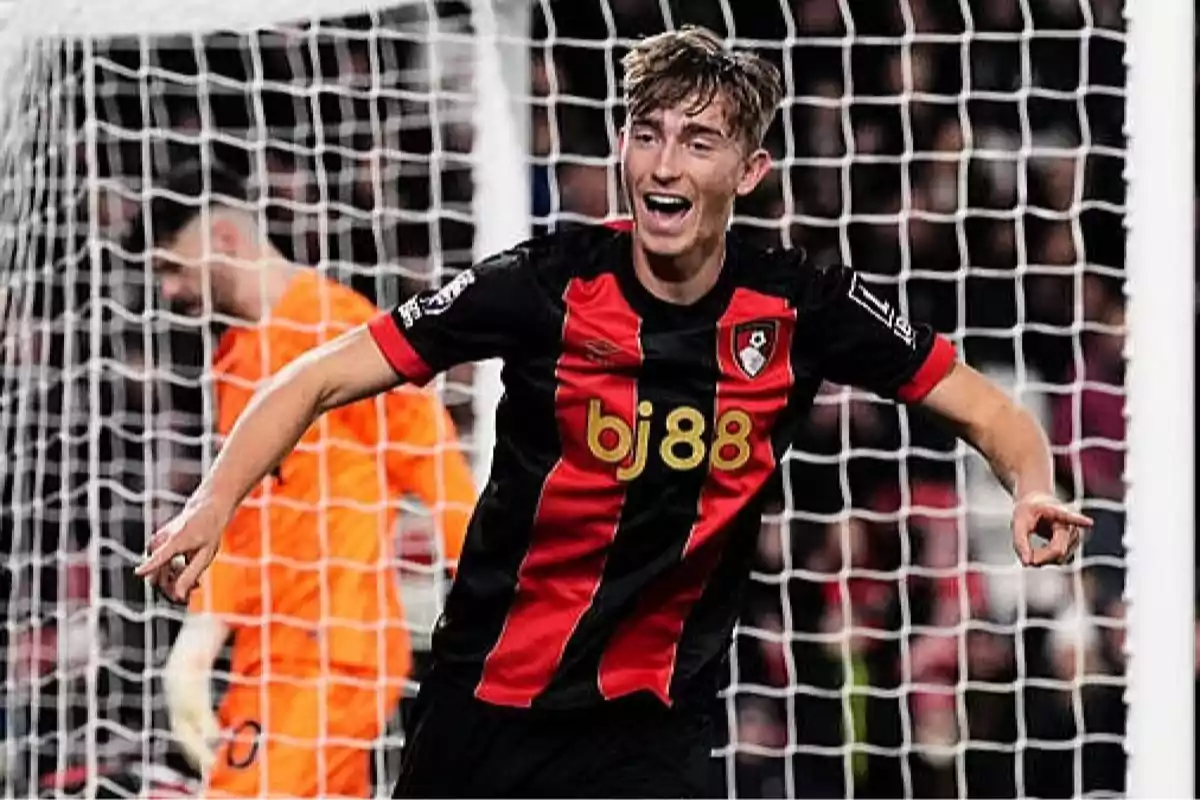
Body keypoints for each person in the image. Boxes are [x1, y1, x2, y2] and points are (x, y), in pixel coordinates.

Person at [137, 28, 1092, 799]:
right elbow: (311, 378)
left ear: (750, 171)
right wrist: (212, 505)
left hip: (650, 720)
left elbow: (984, 407)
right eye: (647, 132)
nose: (662, 163)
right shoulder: (543, 283)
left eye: (698, 140)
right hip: (489, 700)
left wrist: (1034, 486)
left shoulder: (802, 306)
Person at [125, 162, 476, 798]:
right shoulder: (232, 361)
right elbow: (246, 516)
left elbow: (434, 462)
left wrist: (489, 594)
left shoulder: (342, 329)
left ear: (225, 240)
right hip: (267, 659)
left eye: (173, 267)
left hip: (331, 651)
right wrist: (202, 634)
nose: (170, 292)